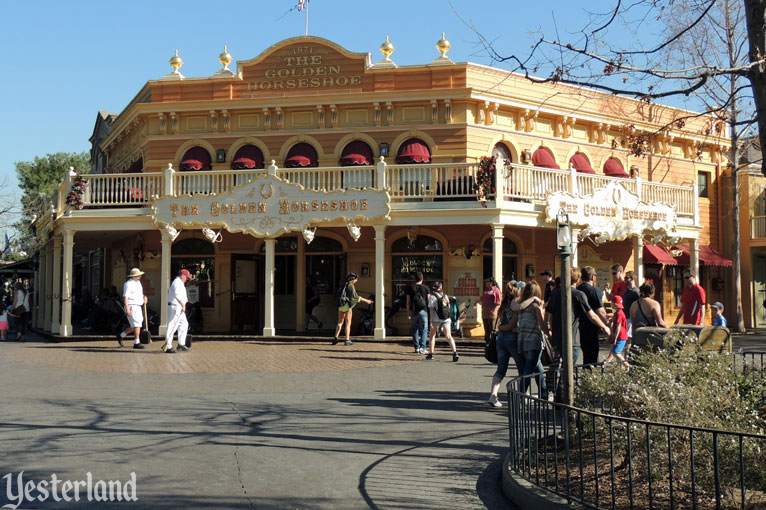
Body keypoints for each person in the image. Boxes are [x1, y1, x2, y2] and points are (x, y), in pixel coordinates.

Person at [546, 267, 611, 401]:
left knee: (561, 369)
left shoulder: (556, 294)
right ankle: (564, 400)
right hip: (573, 339)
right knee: (567, 371)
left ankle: (558, 398)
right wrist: (604, 326)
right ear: (577, 279)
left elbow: (549, 316)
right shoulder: (578, 295)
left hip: (558, 338)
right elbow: (592, 315)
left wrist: (550, 331)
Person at [488, 282, 526, 407]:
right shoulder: (515, 306)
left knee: (501, 369)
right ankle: (523, 396)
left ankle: (493, 395)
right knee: (522, 367)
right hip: (512, 338)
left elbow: (500, 323)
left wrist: (500, 327)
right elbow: (512, 325)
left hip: (500, 338)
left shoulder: (503, 305)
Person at [517, 281, 550, 399]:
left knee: (538, 368)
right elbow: (541, 324)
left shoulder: (521, 307)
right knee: (528, 370)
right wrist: (549, 333)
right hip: (534, 341)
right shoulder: (536, 307)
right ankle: (520, 395)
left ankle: (544, 393)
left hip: (522, 341)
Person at [577, 266, 609, 366]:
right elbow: (600, 311)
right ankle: (590, 378)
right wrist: (608, 324)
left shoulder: (577, 290)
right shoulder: (594, 291)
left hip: (578, 327)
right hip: (590, 327)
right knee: (592, 356)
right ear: (593, 277)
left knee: (586, 356)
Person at [333, 272, 372, 346]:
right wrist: (367, 301)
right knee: (348, 323)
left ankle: (335, 338)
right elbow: (355, 297)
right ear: (352, 279)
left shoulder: (344, 285)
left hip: (340, 306)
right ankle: (347, 340)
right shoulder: (351, 286)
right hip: (347, 306)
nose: (356, 281)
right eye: (356, 279)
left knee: (340, 322)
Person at [425, 282, 459, 362]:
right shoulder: (445, 296)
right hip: (446, 318)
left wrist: (431, 321)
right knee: (449, 336)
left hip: (436, 319)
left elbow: (431, 310)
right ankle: (455, 353)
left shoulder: (432, 297)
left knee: (432, 336)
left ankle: (431, 354)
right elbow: (449, 307)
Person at [118, 268, 148, 349]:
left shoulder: (138, 283)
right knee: (137, 324)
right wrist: (127, 308)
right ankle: (137, 342)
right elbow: (126, 297)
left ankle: (121, 335)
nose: (140, 276)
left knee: (135, 325)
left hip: (138, 305)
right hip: (132, 305)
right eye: (138, 275)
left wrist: (144, 297)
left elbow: (139, 294)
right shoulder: (128, 284)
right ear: (134, 276)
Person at [164, 268, 192, 353]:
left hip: (179, 307)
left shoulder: (180, 283)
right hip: (175, 306)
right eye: (186, 277)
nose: (187, 279)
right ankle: (168, 346)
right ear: (182, 275)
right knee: (172, 326)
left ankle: (181, 343)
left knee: (184, 324)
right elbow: (177, 295)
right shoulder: (177, 282)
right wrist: (183, 304)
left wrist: (185, 301)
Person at [405, 271, 430, 354]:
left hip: (414, 311)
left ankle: (416, 348)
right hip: (423, 311)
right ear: (422, 279)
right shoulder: (426, 288)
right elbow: (429, 301)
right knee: (424, 329)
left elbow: (408, 302)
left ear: (415, 279)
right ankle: (423, 348)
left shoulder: (410, 288)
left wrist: (408, 312)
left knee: (414, 329)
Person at [604, 295, 630, 371]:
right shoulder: (617, 313)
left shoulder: (619, 314)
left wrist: (615, 338)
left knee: (615, 352)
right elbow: (612, 320)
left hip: (621, 336)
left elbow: (619, 326)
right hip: (620, 336)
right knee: (616, 352)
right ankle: (620, 368)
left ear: (614, 304)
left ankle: (627, 365)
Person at [480, 277, 502, 346]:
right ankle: (487, 342)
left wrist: (495, 310)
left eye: (487, 282)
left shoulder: (496, 290)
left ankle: (493, 343)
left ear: (491, 283)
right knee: (486, 329)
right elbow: (481, 298)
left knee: (492, 328)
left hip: (492, 312)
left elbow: (498, 302)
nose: (486, 283)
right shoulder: (486, 290)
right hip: (485, 312)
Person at [621, 271, 640, 341]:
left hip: (630, 318)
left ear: (632, 279)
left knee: (629, 339)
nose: (625, 280)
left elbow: (639, 305)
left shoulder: (636, 292)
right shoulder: (626, 291)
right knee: (625, 339)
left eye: (626, 278)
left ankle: (628, 352)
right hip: (625, 317)